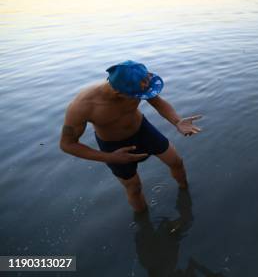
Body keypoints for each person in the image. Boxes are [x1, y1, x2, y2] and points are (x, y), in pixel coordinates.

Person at [60, 60, 202, 212]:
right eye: (138, 96)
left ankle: (185, 193)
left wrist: (177, 121)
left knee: (176, 162)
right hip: (113, 147)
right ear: (118, 93)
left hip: (143, 131)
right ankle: (143, 221)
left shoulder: (137, 85)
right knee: (134, 188)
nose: (142, 97)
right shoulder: (83, 106)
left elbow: (157, 102)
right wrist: (110, 157)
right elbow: (67, 144)